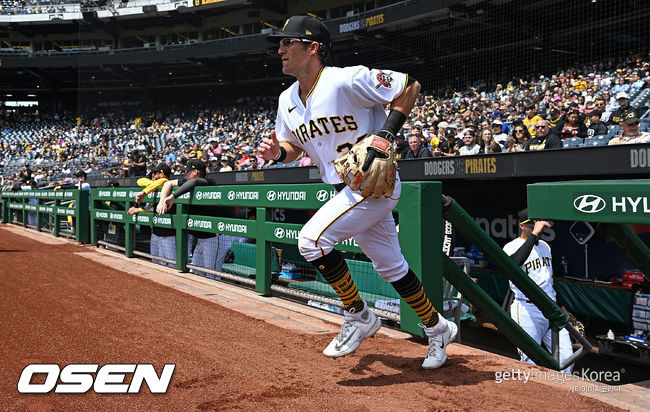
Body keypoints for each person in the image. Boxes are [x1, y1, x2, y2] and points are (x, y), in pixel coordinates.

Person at [260, 15, 457, 369]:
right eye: (281, 43)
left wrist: (386, 134)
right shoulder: (286, 98)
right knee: (390, 267)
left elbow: (408, 86)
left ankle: (358, 314)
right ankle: (438, 328)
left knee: (310, 242)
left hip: (372, 182)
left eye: (288, 42)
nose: (281, 49)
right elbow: (294, 145)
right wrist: (278, 154)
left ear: (313, 48)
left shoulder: (345, 79)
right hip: (342, 188)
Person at [503, 209, 574, 373]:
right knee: (529, 363)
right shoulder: (511, 246)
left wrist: (561, 306)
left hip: (550, 307)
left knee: (567, 359)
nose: (540, 229)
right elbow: (513, 265)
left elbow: (547, 280)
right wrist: (534, 235)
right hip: (528, 309)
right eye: (534, 225)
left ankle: (561, 397)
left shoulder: (545, 246)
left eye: (541, 225)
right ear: (522, 225)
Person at [156, 159, 233, 278]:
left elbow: (195, 181)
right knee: (196, 272)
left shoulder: (206, 182)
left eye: (187, 171)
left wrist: (173, 196)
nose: (184, 173)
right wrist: (162, 201)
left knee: (211, 275)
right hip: (202, 238)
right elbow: (168, 183)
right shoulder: (189, 181)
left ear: (195, 172)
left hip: (215, 237)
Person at [130, 161, 176, 267]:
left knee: (171, 264)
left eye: (155, 173)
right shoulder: (154, 187)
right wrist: (152, 184)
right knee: (156, 263)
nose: (152, 176)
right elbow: (140, 181)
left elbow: (164, 181)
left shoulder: (167, 183)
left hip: (169, 234)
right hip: (156, 232)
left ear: (161, 174)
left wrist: (147, 190)